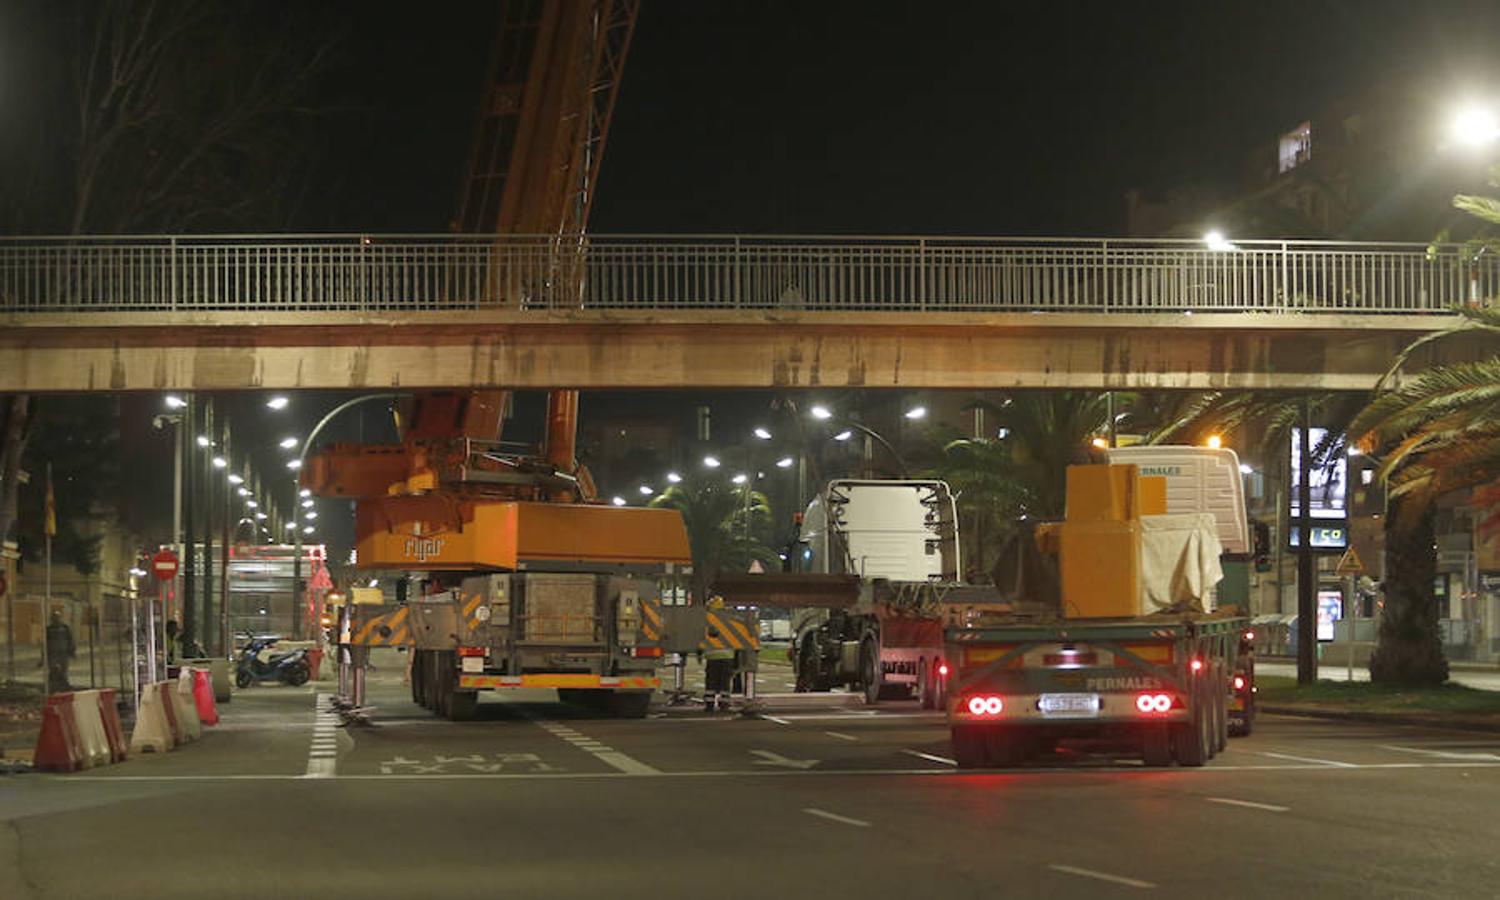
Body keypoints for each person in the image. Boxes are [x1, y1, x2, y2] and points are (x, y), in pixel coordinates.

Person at [45, 610, 75, 693]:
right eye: (54, 617)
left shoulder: (65, 627)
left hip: (63, 653)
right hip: (53, 653)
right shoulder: (49, 628)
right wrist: (44, 655)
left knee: (63, 671)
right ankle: (52, 687)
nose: (56, 619)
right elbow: (46, 642)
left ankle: (64, 688)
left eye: (58, 617)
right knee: (53, 670)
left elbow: (70, 639)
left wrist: (72, 651)